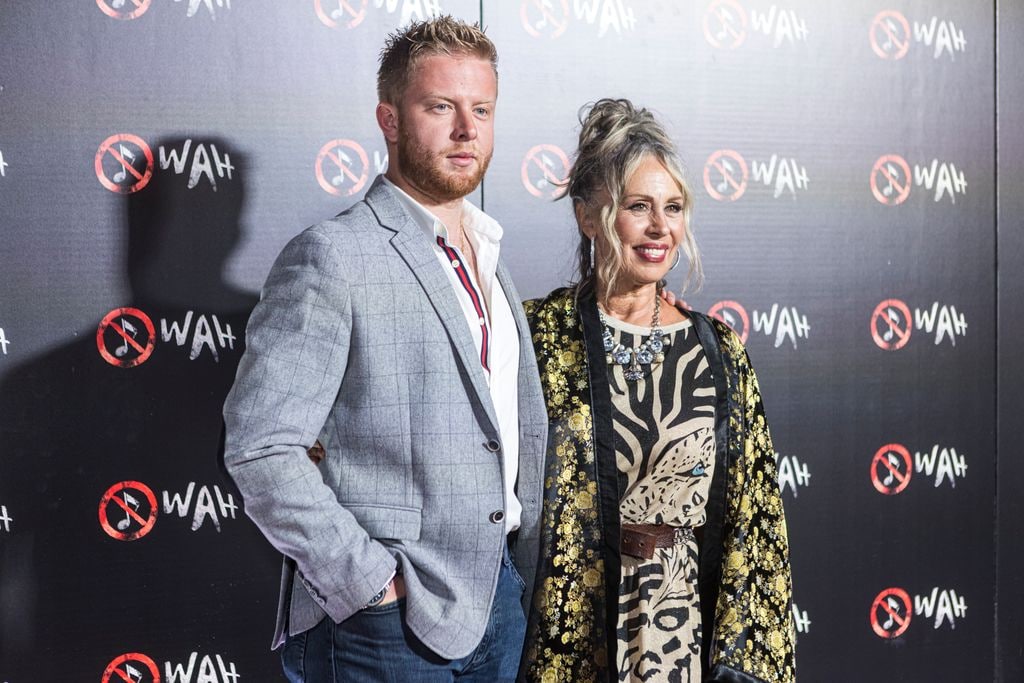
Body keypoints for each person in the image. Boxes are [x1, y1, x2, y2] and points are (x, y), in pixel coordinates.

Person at [222, 16, 548, 683]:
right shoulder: (333, 256)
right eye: (440, 107)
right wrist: (370, 584)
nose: (467, 130)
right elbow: (260, 446)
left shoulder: (489, 256)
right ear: (390, 120)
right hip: (382, 626)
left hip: (500, 602)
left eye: (481, 110)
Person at [519, 99, 795, 682]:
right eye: (637, 206)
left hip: (682, 630)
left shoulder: (717, 350)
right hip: (564, 629)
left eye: (673, 208)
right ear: (587, 217)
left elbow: (757, 515)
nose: (660, 228)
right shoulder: (538, 337)